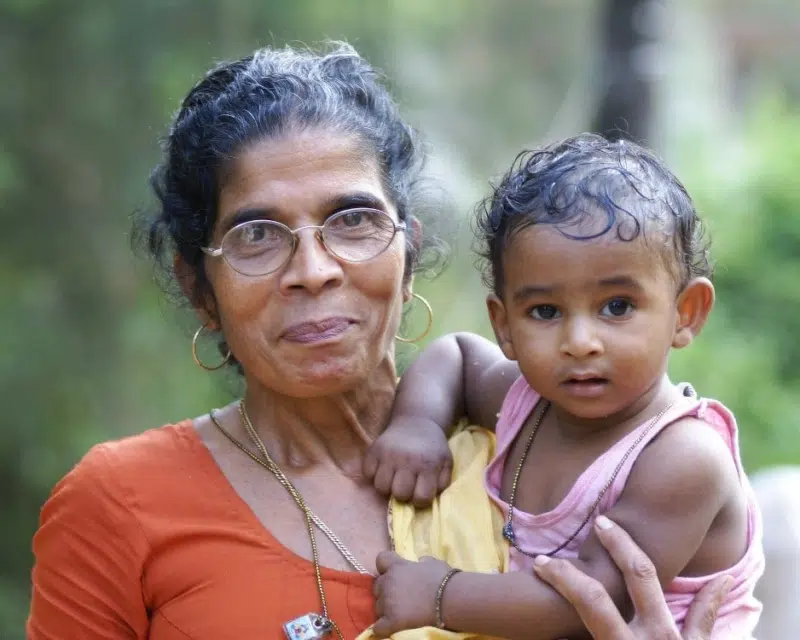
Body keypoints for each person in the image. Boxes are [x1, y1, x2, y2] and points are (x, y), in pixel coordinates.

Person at [26, 42, 727, 640]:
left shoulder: (531, 448)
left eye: (353, 220)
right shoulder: (120, 505)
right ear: (200, 288)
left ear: (408, 252)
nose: (314, 270)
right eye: (257, 235)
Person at [366, 134, 765, 638]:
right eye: (546, 312)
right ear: (506, 325)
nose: (580, 342)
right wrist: (417, 425)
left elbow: (587, 597)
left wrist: (442, 594)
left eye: (617, 306)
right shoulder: (528, 404)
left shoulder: (683, 458)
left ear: (685, 313)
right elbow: (458, 354)